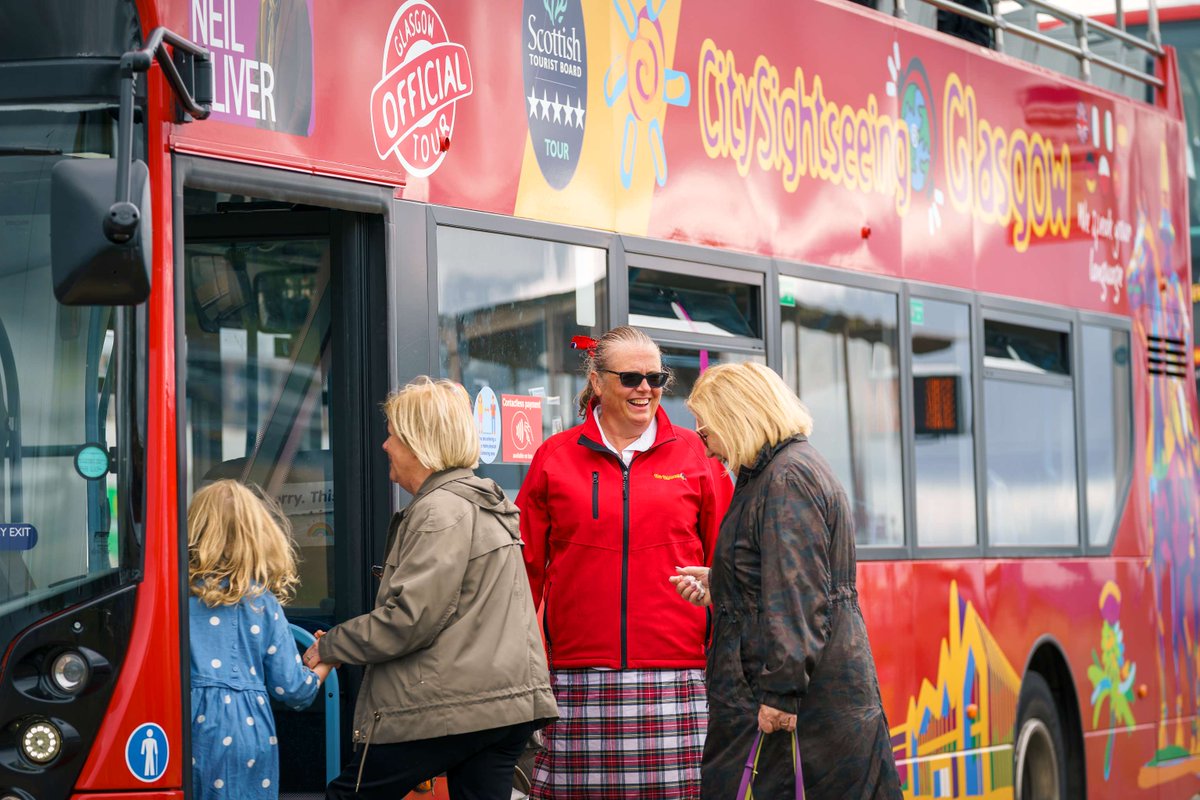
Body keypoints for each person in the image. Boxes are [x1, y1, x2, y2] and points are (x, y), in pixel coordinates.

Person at [307, 377, 558, 800]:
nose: (385, 446)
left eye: (392, 436)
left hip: (451, 708)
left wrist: (332, 645)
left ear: (419, 443)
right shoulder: (486, 503)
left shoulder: (439, 510)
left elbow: (409, 620)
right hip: (505, 708)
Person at [517, 326, 732, 799]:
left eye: (655, 378)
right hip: (575, 677)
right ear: (597, 381)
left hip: (679, 675)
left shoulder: (697, 455)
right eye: (631, 378)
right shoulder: (554, 457)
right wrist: (523, 671)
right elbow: (523, 575)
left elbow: (730, 564)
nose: (645, 390)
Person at [671, 362, 901, 800]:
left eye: (705, 431)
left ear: (736, 416)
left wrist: (781, 694)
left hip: (791, 706)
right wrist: (722, 584)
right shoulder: (783, 470)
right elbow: (784, 577)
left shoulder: (785, 477)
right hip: (807, 698)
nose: (708, 449)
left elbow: (798, 597)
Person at [188, 479, 332, 800]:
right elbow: (293, 689)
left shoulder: (173, 598)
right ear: (259, 537)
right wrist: (327, 660)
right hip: (244, 732)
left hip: (181, 725)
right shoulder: (260, 603)